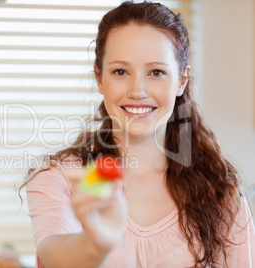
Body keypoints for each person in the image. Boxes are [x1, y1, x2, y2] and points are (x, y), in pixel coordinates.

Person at [21, 1, 255, 267]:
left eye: (156, 72)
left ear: (181, 81)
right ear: (99, 78)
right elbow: (54, 255)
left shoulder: (220, 190)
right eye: (121, 71)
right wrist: (94, 245)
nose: (137, 91)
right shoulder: (63, 179)